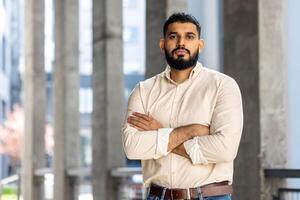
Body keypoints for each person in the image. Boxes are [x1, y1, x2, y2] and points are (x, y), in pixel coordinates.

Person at [122, 13, 243, 200]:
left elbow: (224, 149)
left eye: (189, 36)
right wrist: (191, 131)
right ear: (163, 44)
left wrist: (160, 132)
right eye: (173, 36)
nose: (181, 43)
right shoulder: (143, 91)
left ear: (200, 45)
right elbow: (132, 147)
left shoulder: (222, 86)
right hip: (158, 196)